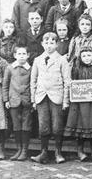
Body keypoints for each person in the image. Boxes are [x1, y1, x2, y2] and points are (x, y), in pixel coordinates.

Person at [30, 33, 71, 164]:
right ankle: (44, 152)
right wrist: (33, 99)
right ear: (42, 44)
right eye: (46, 43)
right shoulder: (37, 60)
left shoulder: (62, 60)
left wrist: (65, 100)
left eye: (52, 43)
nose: (49, 46)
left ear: (57, 44)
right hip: (41, 96)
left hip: (56, 96)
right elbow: (33, 81)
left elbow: (67, 81)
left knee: (57, 126)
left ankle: (58, 152)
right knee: (43, 126)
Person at [64, 46, 92, 162]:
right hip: (80, 103)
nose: (86, 58)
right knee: (80, 126)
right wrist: (72, 84)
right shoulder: (76, 69)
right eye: (84, 56)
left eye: (89, 55)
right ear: (80, 57)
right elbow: (73, 84)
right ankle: (80, 150)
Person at [2, 45, 32, 161]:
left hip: (26, 101)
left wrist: (32, 100)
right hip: (13, 100)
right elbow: (5, 85)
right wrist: (6, 100)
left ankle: (24, 150)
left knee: (26, 125)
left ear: (28, 55)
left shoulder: (30, 68)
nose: (21, 56)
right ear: (15, 55)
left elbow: (33, 84)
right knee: (16, 125)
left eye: (24, 54)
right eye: (19, 54)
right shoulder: (10, 68)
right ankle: (18, 149)